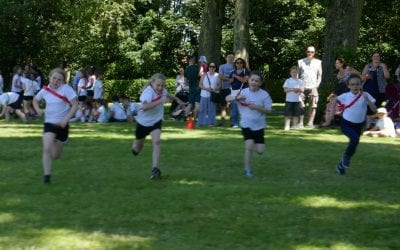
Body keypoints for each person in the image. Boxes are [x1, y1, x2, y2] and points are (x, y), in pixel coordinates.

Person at [131, 73, 185, 180]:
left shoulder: (163, 91)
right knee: (137, 149)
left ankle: (155, 168)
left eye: (162, 85)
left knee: (156, 142)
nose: (160, 88)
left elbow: (168, 95)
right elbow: (144, 106)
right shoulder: (148, 92)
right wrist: (159, 101)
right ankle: (135, 146)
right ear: (152, 83)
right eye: (158, 85)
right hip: (143, 122)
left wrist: (179, 101)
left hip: (156, 121)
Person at [32, 68, 78, 184]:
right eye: (54, 78)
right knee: (46, 148)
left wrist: (65, 119)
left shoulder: (66, 89)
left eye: (59, 79)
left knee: (56, 155)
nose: (56, 81)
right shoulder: (45, 90)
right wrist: (38, 110)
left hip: (62, 126)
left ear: (63, 81)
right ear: (49, 77)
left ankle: (56, 140)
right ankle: (47, 177)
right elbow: (35, 100)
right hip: (49, 124)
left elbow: (74, 105)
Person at [226, 71, 273, 177]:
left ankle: (253, 147)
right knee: (249, 146)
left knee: (260, 151)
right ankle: (247, 170)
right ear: (248, 81)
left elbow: (269, 111)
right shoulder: (243, 92)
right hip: (246, 124)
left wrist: (256, 107)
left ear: (260, 83)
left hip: (259, 126)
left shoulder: (264, 95)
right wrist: (236, 98)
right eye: (252, 80)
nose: (254, 82)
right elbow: (227, 98)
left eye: (257, 81)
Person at [335, 74, 376, 175]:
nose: (355, 86)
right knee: (354, 140)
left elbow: (374, 110)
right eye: (352, 84)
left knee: (354, 144)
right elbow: (335, 100)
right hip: (346, 124)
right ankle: (346, 158)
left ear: (361, 85)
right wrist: (336, 108)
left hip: (359, 125)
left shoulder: (365, 95)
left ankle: (340, 165)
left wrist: (367, 99)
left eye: (357, 84)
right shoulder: (345, 96)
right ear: (348, 86)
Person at [361, 52, 390, 127]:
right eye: (374, 56)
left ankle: (376, 123)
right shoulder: (368, 66)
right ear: (372, 57)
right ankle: (367, 122)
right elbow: (362, 76)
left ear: (379, 58)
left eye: (378, 56)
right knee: (368, 105)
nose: (376, 57)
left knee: (379, 106)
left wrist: (384, 67)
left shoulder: (382, 66)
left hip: (380, 89)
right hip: (368, 89)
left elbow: (387, 77)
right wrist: (367, 76)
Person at [298, 46, 322, 128]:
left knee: (313, 106)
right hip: (302, 87)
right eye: (308, 51)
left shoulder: (318, 62)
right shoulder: (300, 62)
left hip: (313, 87)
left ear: (314, 53)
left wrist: (316, 86)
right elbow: (297, 75)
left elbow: (319, 76)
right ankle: (300, 123)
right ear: (306, 52)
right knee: (300, 105)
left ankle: (310, 123)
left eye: (312, 52)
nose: (310, 53)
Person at [229, 58, 250, 128]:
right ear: (235, 64)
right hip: (234, 92)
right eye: (237, 63)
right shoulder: (232, 71)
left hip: (243, 91)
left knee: (244, 107)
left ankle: (245, 122)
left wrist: (236, 76)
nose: (239, 64)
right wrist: (232, 78)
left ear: (243, 64)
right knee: (234, 108)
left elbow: (244, 80)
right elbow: (229, 81)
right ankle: (234, 123)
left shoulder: (245, 71)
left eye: (240, 63)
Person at [198, 62, 220, 126]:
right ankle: (201, 122)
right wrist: (206, 89)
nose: (211, 68)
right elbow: (200, 84)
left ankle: (211, 123)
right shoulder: (204, 74)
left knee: (212, 109)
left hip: (212, 94)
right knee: (202, 109)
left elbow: (219, 85)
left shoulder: (217, 75)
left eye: (213, 67)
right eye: (210, 66)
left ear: (215, 68)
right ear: (208, 67)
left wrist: (214, 89)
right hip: (204, 94)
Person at [283, 66, 304, 130]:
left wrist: (298, 90)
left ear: (298, 73)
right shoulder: (288, 80)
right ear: (290, 73)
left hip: (297, 100)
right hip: (289, 100)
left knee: (296, 114)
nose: (295, 74)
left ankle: (294, 125)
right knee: (288, 113)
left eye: (296, 72)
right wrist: (292, 89)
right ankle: (287, 126)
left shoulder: (300, 81)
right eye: (293, 72)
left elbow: (302, 90)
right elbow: (285, 90)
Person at [218, 52, 235, 126]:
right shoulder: (222, 66)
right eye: (229, 57)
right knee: (223, 106)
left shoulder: (236, 67)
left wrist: (226, 76)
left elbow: (236, 76)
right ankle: (222, 121)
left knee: (231, 105)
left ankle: (232, 122)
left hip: (233, 89)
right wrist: (229, 79)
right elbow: (220, 76)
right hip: (223, 88)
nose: (230, 58)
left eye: (232, 57)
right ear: (226, 58)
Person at [184, 57, 200, 122]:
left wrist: (189, 85)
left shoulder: (186, 70)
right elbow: (200, 77)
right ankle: (195, 118)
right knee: (197, 103)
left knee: (190, 104)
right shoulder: (197, 68)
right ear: (195, 62)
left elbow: (185, 82)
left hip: (191, 88)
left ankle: (185, 116)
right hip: (198, 88)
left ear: (189, 62)